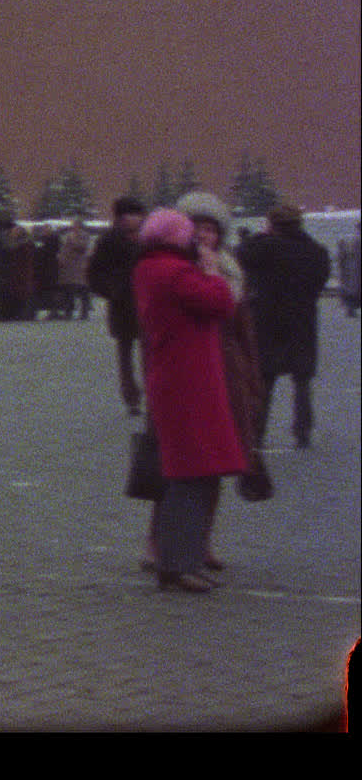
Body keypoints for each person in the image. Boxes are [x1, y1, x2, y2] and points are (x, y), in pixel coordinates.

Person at [133, 207, 246, 594]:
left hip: (177, 377)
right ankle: (178, 563)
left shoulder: (149, 268)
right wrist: (212, 269)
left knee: (191, 471)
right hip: (189, 382)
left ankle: (181, 558)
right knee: (191, 473)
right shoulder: (175, 273)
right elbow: (221, 302)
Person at [237, 202, 332, 450]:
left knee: (265, 380)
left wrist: (259, 234)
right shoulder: (316, 251)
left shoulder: (265, 247)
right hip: (303, 321)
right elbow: (319, 283)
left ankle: (257, 433)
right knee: (302, 380)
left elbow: (241, 254)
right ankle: (303, 432)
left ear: (273, 225)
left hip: (268, 321)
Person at [87, 197, 149, 415]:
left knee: (151, 352)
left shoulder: (149, 239)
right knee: (125, 353)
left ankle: (154, 394)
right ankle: (131, 396)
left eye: (138, 214)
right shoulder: (108, 241)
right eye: (130, 214)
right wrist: (113, 290)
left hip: (149, 304)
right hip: (123, 305)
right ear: (120, 217)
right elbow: (94, 274)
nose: (135, 219)